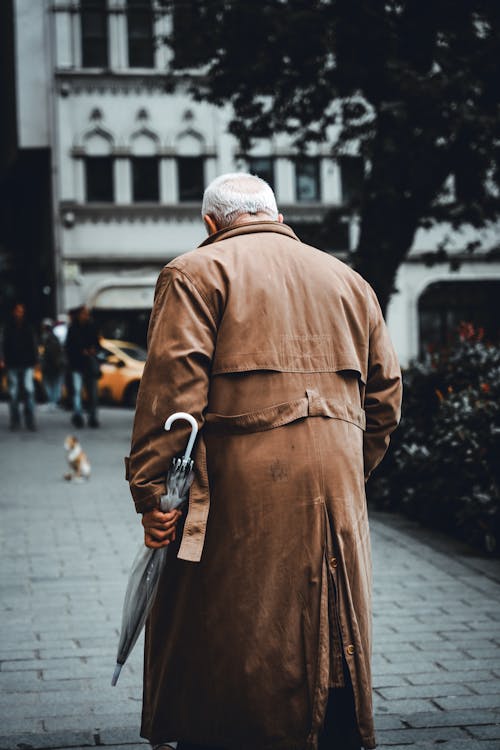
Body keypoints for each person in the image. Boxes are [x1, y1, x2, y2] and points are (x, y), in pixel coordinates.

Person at [127, 173, 402, 750]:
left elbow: (172, 404)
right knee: (334, 627)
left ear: (210, 224)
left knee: (233, 638)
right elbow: (384, 400)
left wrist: (153, 495)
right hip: (336, 491)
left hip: (237, 492)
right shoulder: (350, 282)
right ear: (277, 216)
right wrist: (349, 467)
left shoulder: (195, 273)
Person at [2, 302, 38, 431]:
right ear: (13, 312)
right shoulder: (8, 327)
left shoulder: (28, 327)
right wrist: (3, 359)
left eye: (21, 311)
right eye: (17, 311)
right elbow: (3, 343)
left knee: (29, 390)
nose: (19, 313)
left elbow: (33, 344)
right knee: (13, 393)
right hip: (12, 363)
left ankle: (30, 420)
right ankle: (15, 420)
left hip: (27, 363)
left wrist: (35, 360)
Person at [65, 305, 101, 428]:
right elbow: (68, 347)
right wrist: (81, 351)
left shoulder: (92, 327)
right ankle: (78, 415)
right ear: (79, 314)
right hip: (77, 365)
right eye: (84, 313)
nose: (86, 316)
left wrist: (93, 350)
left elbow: (97, 344)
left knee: (93, 393)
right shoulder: (72, 328)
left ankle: (92, 417)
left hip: (89, 365)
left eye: (87, 313)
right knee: (77, 391)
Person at [40, 318, 65, 410]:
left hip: (51, 365)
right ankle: (53, 402)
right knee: (56, 384)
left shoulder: (47, 338)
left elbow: (49, 353)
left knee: (50, 383)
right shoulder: (54, 337)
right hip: (56, 365)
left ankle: (52, 402)